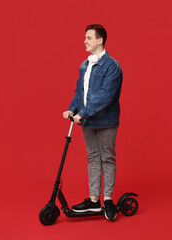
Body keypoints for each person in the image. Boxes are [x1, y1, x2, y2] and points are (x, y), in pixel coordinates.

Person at [62, 24, 123, 220]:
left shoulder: (112, 66)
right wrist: (73, 109)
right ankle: (94, 199)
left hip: (105, 120)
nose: (85, 41)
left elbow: (106, 95)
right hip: (87, 120)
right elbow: (80, 92)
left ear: (100, 40)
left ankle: (107, 199)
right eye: (85, 37)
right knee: (93, 158)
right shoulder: (84, 65)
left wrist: (84, 113)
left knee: (107, 158)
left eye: (89, 38)